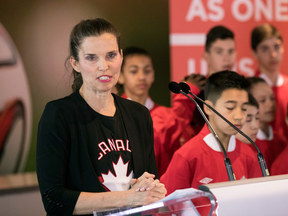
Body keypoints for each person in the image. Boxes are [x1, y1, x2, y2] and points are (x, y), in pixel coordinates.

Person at [36, 18, 166, 216]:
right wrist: (128, 198)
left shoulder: (139, 114)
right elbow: (54, 199)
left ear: (121, 57)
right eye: (91, 58)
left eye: (111, 55)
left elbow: (148, 181)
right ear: (75, 63)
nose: (103, 66)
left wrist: (152, 190)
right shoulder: (58, 115)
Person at [160, 71, 262, 194]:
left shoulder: (250, 156)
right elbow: (166, 207)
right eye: (230, 107)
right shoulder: (187, 156)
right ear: (208, 107)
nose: (239, 116)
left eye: (244, 109)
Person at [118, 46, 206, 177]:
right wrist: (184, 98)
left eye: (147, 71)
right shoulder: (114, 113)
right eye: (134, 71)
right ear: (120, 76)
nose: (142, 77)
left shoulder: (167, 114)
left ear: (153, 74)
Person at [251, 23, 288, 141]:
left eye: (277, 47)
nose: (273, 55)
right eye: (265, 49)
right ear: (254, 53)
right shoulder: (249, 89)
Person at [246, 77, 287, 171]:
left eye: (272, 98)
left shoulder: (281, 141)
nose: (271, 104)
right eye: (262, 100)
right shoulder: (246, 144)